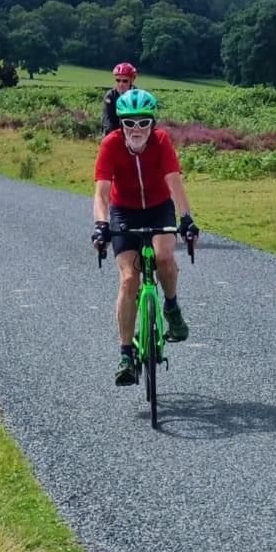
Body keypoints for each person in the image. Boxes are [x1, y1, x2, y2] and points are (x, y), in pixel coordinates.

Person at [92, 88, 198, 386]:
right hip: (124, 211)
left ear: (153, 123)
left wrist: (187, 217)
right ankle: (126, 354)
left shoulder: (161, 141)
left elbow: (173, 181)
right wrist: (101, 225)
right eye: (129, 123)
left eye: (143, 123)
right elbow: (101, 192)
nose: (136, 129)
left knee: (164, 257)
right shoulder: (110, 145)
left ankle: (172, 308)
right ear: (121, 124)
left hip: (158, 209)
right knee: (129, 279)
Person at [101, 62, 139, 136]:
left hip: (134, 133)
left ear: (132, 80)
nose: (121, 84)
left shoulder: (138, 96)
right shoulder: (110, 96)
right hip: (114, 132)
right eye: (118, 80)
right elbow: (108, 120)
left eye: (125, 81)